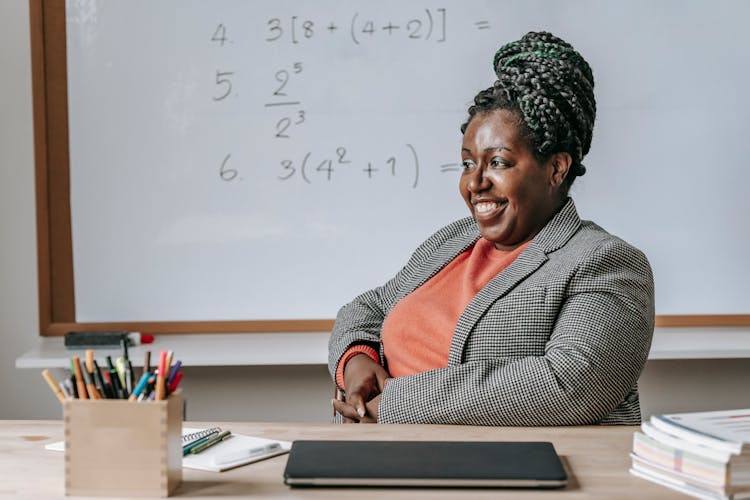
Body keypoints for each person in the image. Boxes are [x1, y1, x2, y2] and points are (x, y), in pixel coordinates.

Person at [329, 31, 654, 426]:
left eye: (498, 163)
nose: (475, 182)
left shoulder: (606, 262)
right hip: (381, 459)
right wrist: (356, 361)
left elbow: (569, 384)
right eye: (468, 163)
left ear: (556, 167)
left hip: (518, 475)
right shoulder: (452, 241)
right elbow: (368, 308)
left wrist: (393, 404)